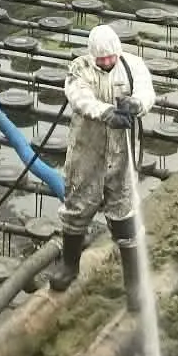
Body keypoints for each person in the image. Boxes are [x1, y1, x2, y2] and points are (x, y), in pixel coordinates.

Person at [43, 23, 156, 304]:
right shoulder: (79, 69)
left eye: (110, 58)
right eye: (101, 59)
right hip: (87, 149)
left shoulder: (133, 65)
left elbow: (147, 92)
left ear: (118, 52)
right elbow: (80, 98)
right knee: (77, 206)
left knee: (125, 211)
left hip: (122, 152)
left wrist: (136, 104)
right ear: (92, 56)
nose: (106, 63)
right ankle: (70, 266)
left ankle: (134, 284)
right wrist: (106, 113)